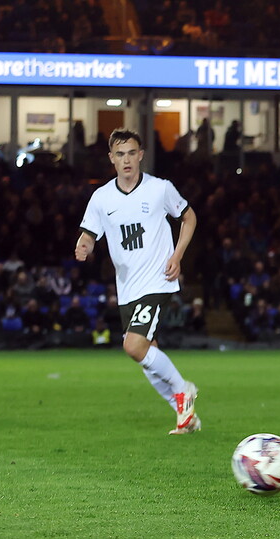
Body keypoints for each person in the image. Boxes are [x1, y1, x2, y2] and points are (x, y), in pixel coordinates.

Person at [75, 128, 200, 435]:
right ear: (111, 159)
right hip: (127, 287)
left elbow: (189, 217)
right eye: (120, 154)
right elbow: (89, 233)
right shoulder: (101, 197)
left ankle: (183, 388)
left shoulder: (160, 189)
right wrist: (84, 245)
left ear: (141, 155)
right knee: (147, 354)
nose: (126, 159)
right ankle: (185, 416)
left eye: (132, 153)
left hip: (158, 280)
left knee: (133, 346)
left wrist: (178, 254)